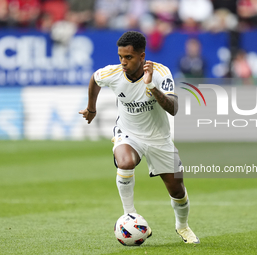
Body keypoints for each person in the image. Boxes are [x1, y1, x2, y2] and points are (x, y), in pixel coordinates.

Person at [79, 31, 200, 244]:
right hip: (128, 133)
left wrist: (151, 85)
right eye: (120, 57)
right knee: (125, 163)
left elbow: (173, 109)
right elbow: (94, 80)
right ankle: (130, 216)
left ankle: (183, 227)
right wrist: (91, 108)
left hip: (159, 138)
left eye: (129, 57)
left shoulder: (161, 73)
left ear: (142, 56)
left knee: (177, 190)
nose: (123, 62)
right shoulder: (113, 73)